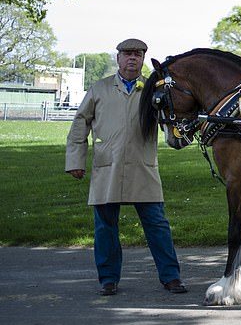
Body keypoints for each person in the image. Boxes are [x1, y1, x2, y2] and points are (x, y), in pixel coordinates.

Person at [65, 38, 188, 296]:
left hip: (143, 167)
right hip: (107, 167)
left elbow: (173, 119)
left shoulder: (153, 89)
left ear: (143, 59)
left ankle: (171, 277)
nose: (133, 58)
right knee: (105, 227)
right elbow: (80, 125)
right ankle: (108, 279)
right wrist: (75, 161)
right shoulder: (99, 89)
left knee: (157, 224)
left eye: (138, 54)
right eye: (127, 54)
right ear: (118, 58)